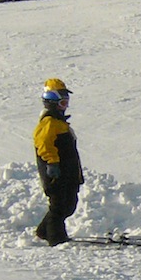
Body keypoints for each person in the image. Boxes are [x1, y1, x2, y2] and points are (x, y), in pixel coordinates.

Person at [33, 78, 84, 246]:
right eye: (62, 102)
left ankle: (43, 231)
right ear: (51, 102)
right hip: (57, 172)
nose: (66, 106)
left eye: (66, 102)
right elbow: (43, 144)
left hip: (67, 171)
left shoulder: (59, 123)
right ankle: (56, 238)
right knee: (59, 205)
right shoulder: (49, 122)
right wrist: (52, 163)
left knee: (68, 204)